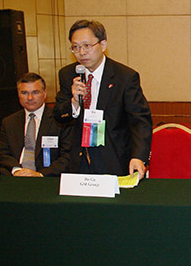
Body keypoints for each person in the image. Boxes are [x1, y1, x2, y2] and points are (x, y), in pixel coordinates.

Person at [54, 20, 153, 176]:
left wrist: (138, 157)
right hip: (78, 159)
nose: (82, 52)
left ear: (103, 45)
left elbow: (140, 121)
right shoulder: (68, 75)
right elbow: (59, 116)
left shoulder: (124, 77)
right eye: (76, 47)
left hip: (113, 158)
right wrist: (73, 103)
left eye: (87, 46)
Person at [0, 73, 72, 177]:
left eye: (35, 92)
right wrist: (17, 170)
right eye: (24, 93)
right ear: (18, 94)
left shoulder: (60, 119)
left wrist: (40, 174)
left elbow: (67, 157)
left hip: (47, 177)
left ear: (45, 94)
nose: (30, 98)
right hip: (16, 176)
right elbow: (2, 154)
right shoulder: (9, 122)